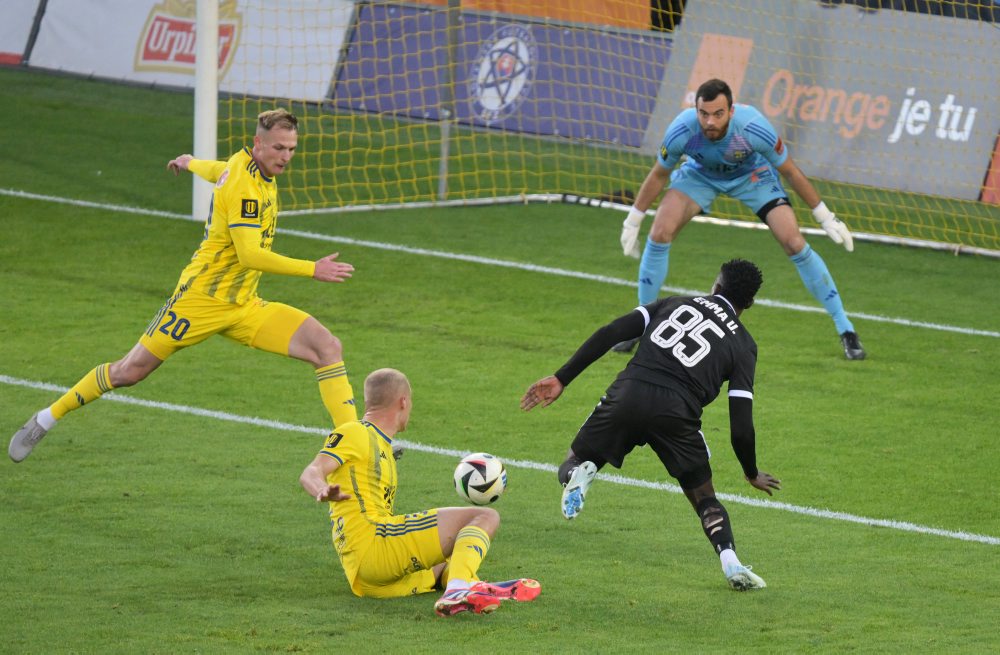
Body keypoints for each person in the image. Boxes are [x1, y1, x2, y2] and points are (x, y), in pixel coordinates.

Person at [9, 109, 359, 462]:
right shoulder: (245, 188)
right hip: (199, 301)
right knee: (129, 371)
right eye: (279, 148)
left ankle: (355, 442)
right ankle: (45, 418)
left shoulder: (242, 165)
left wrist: (190, 162)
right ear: (258, 143)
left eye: (292, 149)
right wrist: (311, 269)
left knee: (325, 347)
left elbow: (218, 170)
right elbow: (250, 255)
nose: (286, 157)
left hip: (243, 305)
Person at [521, 258, 780, 591]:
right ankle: (731, 562)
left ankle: (579, 475)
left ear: (716, 286)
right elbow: (741, 425)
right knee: (704, 499)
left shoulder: (673, 303)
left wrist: (562, 377)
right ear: (749, 303)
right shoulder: (744, 345)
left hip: (629, 393)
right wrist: (750, 471)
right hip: (677, 415)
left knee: (573, 460)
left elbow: (611, 333)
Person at [617, 78, 865, 360]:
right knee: (660, 232)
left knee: (794, 242)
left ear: (731, 111)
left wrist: (825, 217)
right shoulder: (682, 130)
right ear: (695, 109)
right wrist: (634, 219)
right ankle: (641, 326)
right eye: (704, 113)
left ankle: (846, 330)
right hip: (700, 176)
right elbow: (659, 174)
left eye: (718, 114)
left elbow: (791, 172)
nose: (710, 121)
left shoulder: (753, 128)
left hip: (752, 177)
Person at [300, 368, 541, 616]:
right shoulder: (355, 432)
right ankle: (459, 589)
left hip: (366, 575)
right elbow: (311, 471)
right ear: (403, 401)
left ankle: (471, 587)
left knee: (446, 562)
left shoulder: (379, 444)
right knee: (486, 517)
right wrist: (322, 489)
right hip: (374, 543)